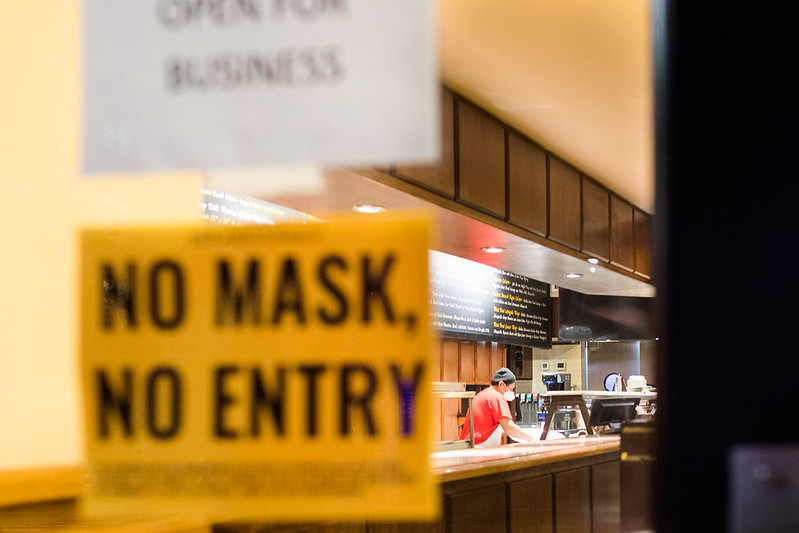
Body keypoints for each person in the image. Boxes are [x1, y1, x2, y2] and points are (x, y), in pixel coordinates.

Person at [459, 367, 537, 447]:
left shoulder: (483, 394)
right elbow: (509, 427)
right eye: (510, 388)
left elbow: (498, 429)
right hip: (479, 448)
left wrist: (519, 432)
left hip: (469, 446)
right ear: (501, 384)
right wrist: (533, 439)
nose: (511, 392)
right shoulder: (496, 397)